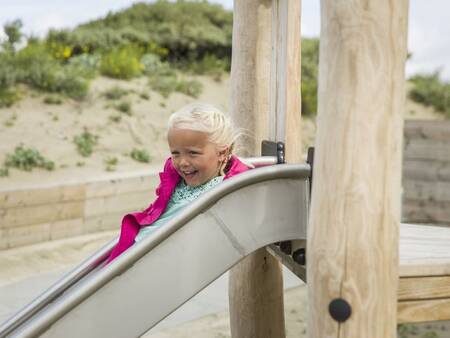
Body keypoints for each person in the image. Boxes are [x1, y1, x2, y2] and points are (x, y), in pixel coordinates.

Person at [106, 103, 249, 264]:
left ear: (222, 153)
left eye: (193, 153)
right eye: (175, 153)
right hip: (135, 248)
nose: (183, 162)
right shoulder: (176, 180)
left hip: (154, 260)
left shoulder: (224, 188)